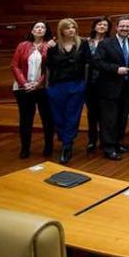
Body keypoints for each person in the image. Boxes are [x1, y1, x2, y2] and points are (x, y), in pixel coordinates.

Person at [94, 16, 129, 161]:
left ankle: (118, 142)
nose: (125, 29)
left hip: (127, 88)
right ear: (116, 27)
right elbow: (97, 62)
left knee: (122, 118)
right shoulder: (106, 44)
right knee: (109, 119)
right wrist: (116, 69)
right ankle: (108, 147)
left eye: (128, 26)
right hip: (109, 87)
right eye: (122, 26)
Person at [45, 19, 90, 164]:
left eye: (73, 27)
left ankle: (67, 145)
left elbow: (89, 62)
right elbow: (48, 65)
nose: (71, 30)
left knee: (72, 114)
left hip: (76, 85)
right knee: (58, 116)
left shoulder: (82, 44)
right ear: (61, 30)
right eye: (67, 28)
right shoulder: (53, 46)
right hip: (57, 86)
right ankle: (65, 138)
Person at [11, 21, 54, 159]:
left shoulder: (50, 46)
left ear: (46, 31)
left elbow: (50, 68)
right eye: (37, 27)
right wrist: (24, 83)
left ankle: (48, 147)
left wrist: (38, 83)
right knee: (25, 119)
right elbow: (15, 66)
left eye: (43, 27)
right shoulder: (22, 45)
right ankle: (25, 149)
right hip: (23, 89)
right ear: (32, 30)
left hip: (43, 88)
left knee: (47, 119)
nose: (40, 29)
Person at [84, 17, 111, 152]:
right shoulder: (86, 42)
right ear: (94, 26)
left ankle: (105, 139)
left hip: (106, 81)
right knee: (92, 112)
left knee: (105, 113)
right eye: (99, 24)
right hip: (90, 82)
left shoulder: (111, 42)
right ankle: (92, 139)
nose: (102, 26)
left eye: (105, 25)